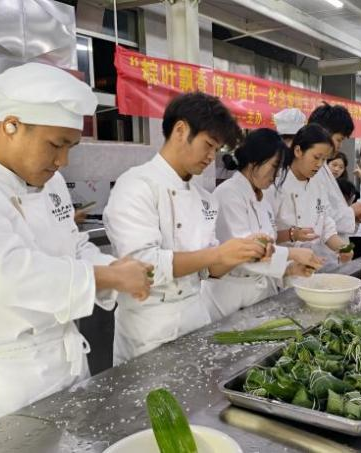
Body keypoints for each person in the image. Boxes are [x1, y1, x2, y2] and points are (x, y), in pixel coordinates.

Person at [0, 63, 153, 428]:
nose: (63, 161)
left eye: (70, 147)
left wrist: (113, 268)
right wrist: (108, 278)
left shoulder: (50, 182)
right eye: (56, 145)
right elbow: (6, 275)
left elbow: (74, 244)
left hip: (68, 362)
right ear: (11, 125)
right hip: (10, 383)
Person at [104, 92, 268, 365]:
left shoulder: (204, 198)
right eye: (208, 145)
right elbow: (144, 265)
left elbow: (209, 269)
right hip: (148, 330)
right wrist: (217, 254)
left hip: (195, 319)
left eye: (217, 149)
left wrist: (244, 252)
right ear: (180, 130)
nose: (211, 157)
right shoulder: (136, 185)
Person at [201, 129, 324, 320]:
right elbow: (245, 251)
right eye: (274, 166)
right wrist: (292, 253)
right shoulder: (228, 195)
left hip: (259, 294)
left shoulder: (263, 201)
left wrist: (290, 269)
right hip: (229, 297)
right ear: (254, 160)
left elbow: (268, 248)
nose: (277, 174)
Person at [271, 124, 354, 266]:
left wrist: (341, 248)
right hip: (281, 265)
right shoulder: (276, 184)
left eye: (324, 160)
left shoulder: (317, 183)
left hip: (309, 264)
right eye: (316, 157)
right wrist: (292, 234)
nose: (319, 164)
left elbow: (325, 222)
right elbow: (265, 235)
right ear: (298, 151)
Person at [307, 103, 361, 236]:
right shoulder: (309, 170)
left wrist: (352, 215)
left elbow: (327, 212)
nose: (339, 146)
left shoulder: (323, 167)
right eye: (338, 140)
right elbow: (319, 216)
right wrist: (352, 212)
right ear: (323, 133)